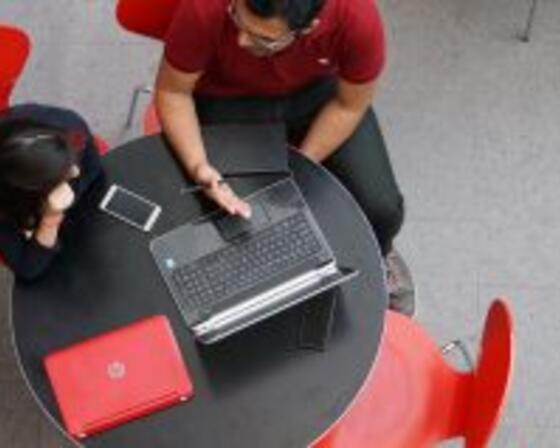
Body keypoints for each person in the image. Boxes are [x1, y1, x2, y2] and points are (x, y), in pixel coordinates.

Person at [155, 0, 414, 314]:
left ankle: (381, 255)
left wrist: (301, 166)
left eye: (263, 39)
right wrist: (200, 166)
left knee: (382, 207)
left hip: (318, 96)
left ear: (308, 28)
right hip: (229, 99)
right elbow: (173, 92)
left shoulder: (356, 17)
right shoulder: (204, 8)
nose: (241, 40)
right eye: (236, 18)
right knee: (234, 215)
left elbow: (350, 105)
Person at [0, 104, 104, 280]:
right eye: (59, 177)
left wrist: (68, 195)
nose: (75, 172)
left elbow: (92, 170)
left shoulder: (72, 129)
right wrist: (51, 218)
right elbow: (28, 267)